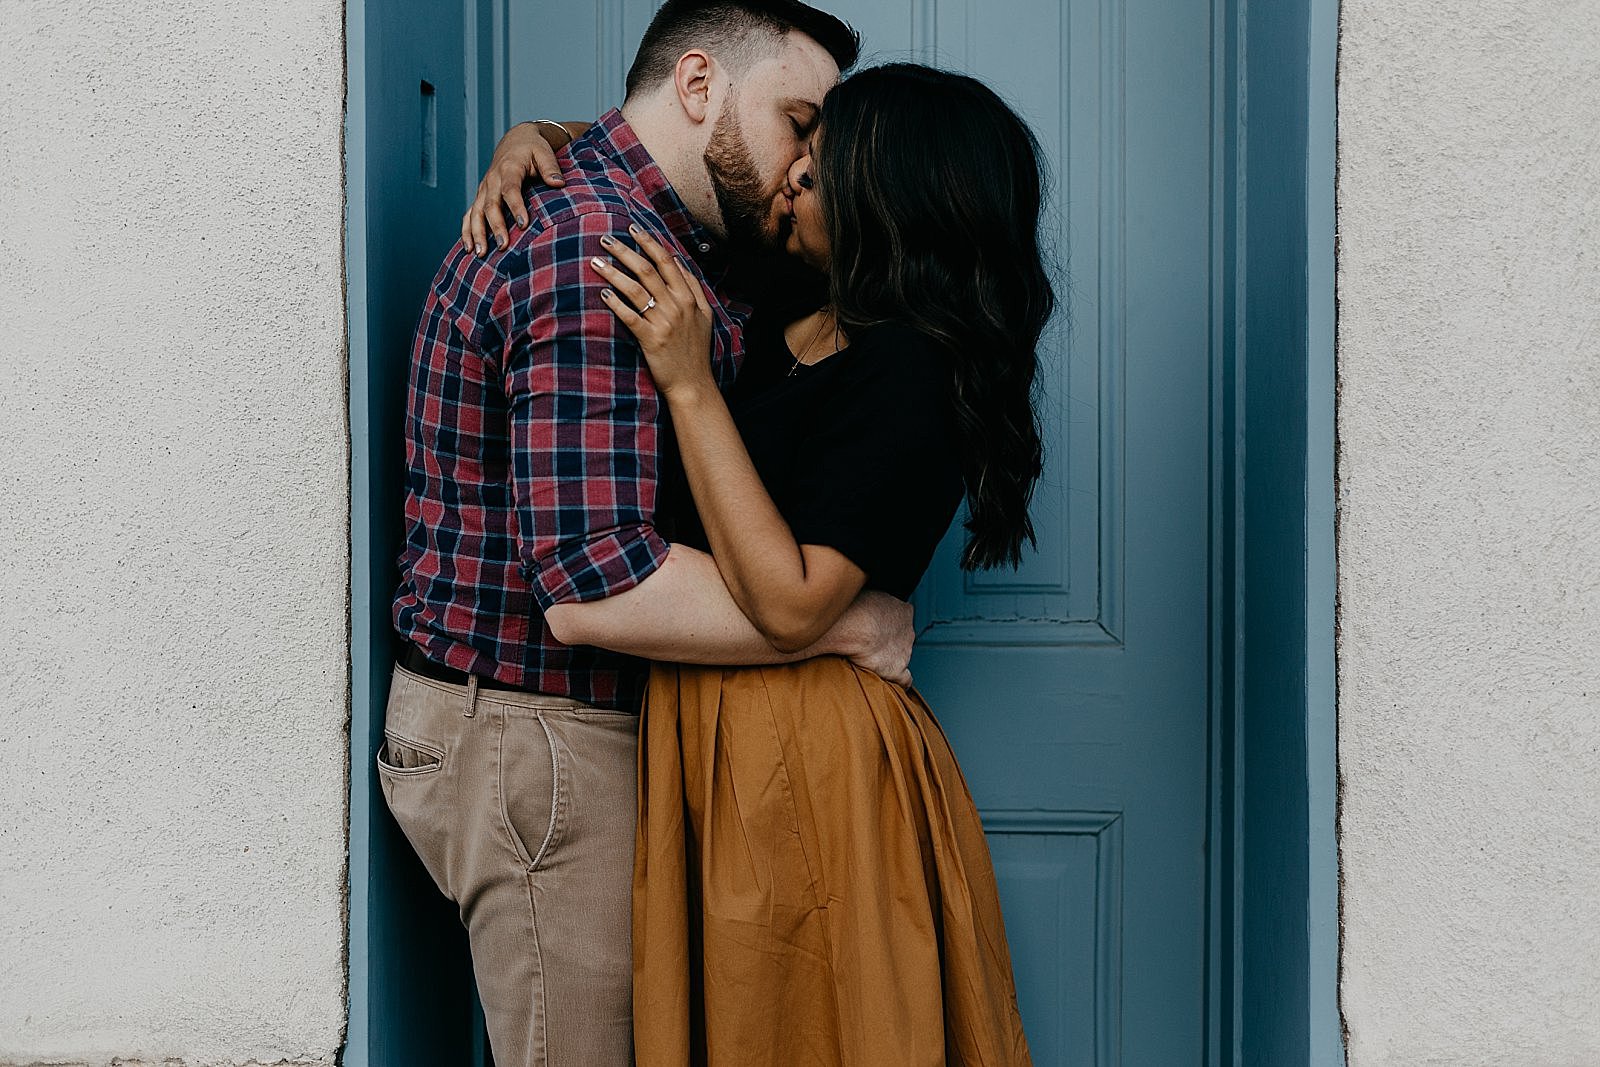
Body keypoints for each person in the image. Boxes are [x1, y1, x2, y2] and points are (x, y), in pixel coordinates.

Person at [376, 4, 918, 1066]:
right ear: (701, 87)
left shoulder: (668, 229)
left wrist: (549, 130)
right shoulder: (597, 246)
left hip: (556, 734)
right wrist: (835, 622)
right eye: (798, 122)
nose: (808, 164)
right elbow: (595, 588)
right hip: (538, 738)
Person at [582, 62, 1047, 1065]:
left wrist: (688, 387)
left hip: (803, 755)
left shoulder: (910, 374)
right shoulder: (783, 299)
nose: (790, 175)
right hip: (713, 734)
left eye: (821, 166)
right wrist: (530, 143)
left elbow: (793, 603)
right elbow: (644, 168)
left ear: (894, 197)